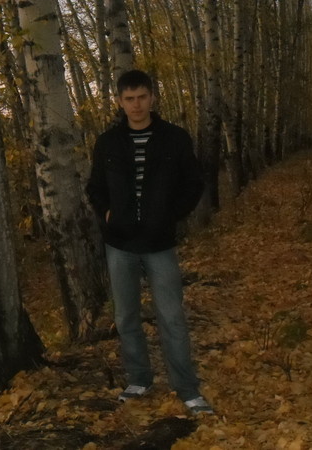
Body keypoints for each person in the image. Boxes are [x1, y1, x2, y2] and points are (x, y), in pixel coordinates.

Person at [86, 70, 213, 415]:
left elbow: (193, 182)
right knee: (126, 315)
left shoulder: (174, 138)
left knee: (171, 316)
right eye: (129, 99)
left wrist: (170, 215)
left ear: (152, 97)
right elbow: (95, 187)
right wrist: (108, 214)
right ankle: (139, 379)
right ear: (119, 101)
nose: (136, 105)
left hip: (159, 242)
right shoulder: (108, 143)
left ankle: (187, 389)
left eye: (142, 97)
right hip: (120, 242)